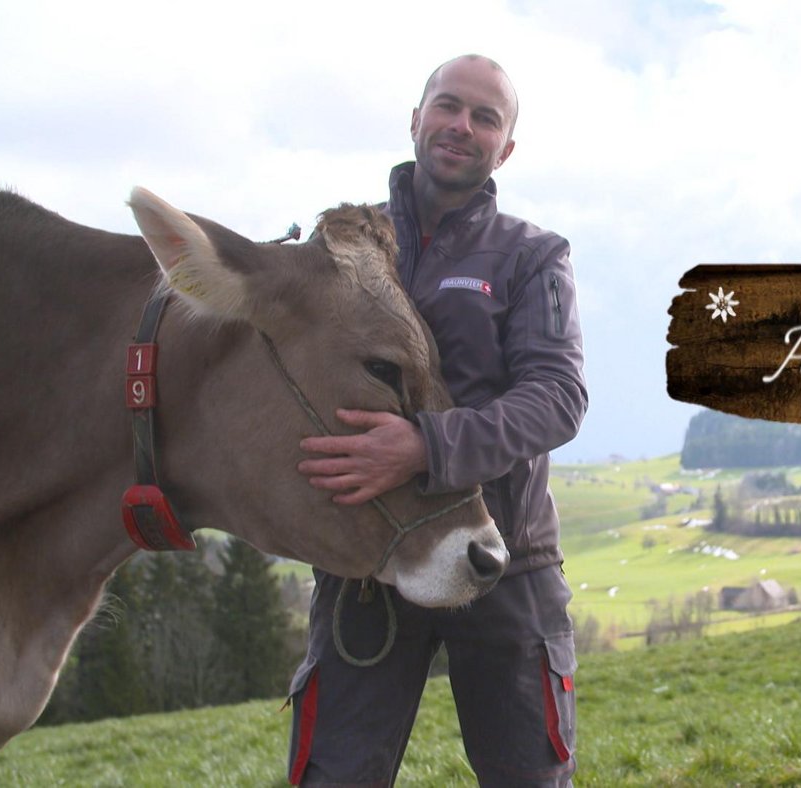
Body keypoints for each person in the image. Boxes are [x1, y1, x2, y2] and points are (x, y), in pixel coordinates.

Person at [286, 54, 587, 786]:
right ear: (415, 119)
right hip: (366, 565)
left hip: (505, 561)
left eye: (486, 117)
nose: (463, 125)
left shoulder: (532, 256)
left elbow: (557, 397)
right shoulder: (341, 251)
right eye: (448, 106)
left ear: (505, 148)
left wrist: (424, 446)